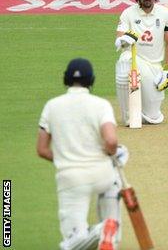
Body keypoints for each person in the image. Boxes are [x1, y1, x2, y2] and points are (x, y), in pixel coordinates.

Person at [37, 58, 127, 250]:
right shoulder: (101, 104)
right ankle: (110, 231)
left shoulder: (52, 106)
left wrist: (65, 158)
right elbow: (111, 141)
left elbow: (42, 149)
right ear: (91, 80)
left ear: (66, 79)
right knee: (113, 182)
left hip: (71, 179)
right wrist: (108, 154)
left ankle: (96, 232)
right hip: (101, 173)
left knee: (72, 242)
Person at [115, 0, 168, 125]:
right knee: (125, 58)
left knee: (153, 117)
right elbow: (119, 40)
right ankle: (128, 116)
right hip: (136, 61)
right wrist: (124, 40)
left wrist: (167, 68)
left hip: (154, 67)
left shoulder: (165, 14)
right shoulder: (128, 13)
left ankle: (142, 112)